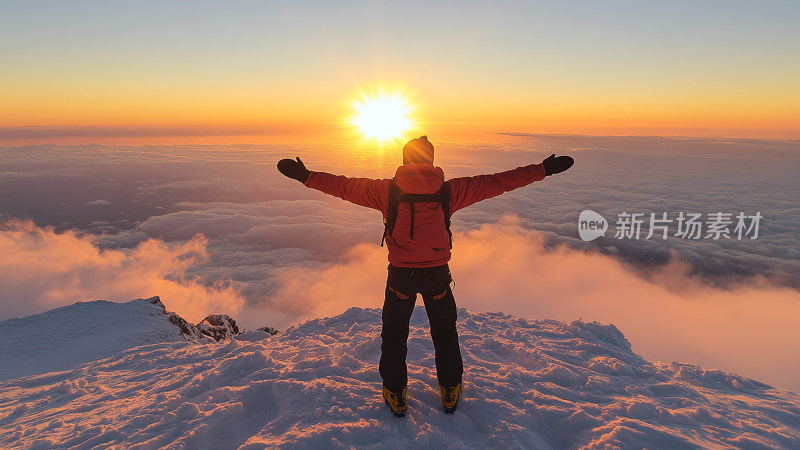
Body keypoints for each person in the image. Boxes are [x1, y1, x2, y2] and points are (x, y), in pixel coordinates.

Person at [277, 136, 573, 417]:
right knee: (445, 334)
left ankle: (395, 391)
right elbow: (498, 182)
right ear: (431, 162)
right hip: (437, 276)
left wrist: (306, 176)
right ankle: (450, 387)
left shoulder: (386, 191)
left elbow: (343, 186)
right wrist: (542, 170)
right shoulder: (449, 191)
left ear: (404, 161)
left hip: (401, 276)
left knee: (394, 335)